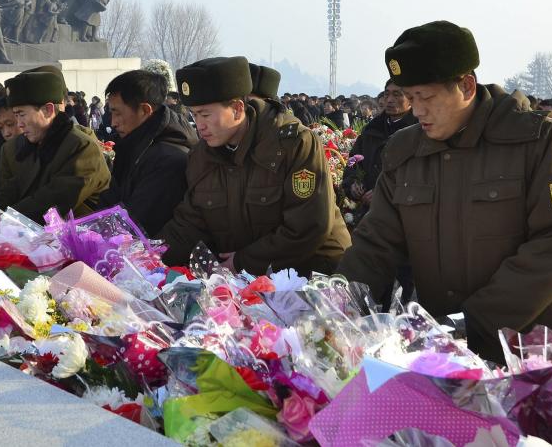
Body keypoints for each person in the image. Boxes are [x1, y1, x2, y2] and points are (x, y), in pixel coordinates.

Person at [337, 21, 552, 368]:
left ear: (467, 86)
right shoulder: (404, 150)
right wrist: (336, 301)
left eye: (426, 97)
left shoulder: (536, 140)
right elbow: (377, 240)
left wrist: (474, 320)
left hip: (529, 347)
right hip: (447, 352)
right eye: (410, 98)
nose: (417, 110)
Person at [160, 56, 350, 275]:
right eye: (194, 115)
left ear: (238, 109)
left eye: (205, 115)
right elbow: (189, 224)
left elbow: (309, 225)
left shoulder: (293, 145)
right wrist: (149, 256)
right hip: (251, 279)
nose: (199, 125)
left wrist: (243, 262)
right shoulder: (202, 156)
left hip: (314, 275)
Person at [0, 70, 110, 222]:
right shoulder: (29, 144)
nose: (19, 124)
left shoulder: (82, 147)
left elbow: (52, 202)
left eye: (22, 115)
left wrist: (4, 220)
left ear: (48, 110)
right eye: (16, 116)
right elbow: (12, 188)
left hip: (77, 240)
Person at [341, 79, 418, 309]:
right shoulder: (372, 129)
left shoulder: (419, 129)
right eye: (388, 94)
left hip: (402, 221)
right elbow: (354, 163)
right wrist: (353, 184)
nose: (391, 100)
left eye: (398, 94)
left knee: (402, 294)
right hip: (368, 217)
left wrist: (384, 193)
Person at [97, 70, 198, 237]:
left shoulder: (168, 159)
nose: (113, 122)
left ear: (145, 110)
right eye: (111, 113)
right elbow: (109, 202)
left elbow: (137, 224)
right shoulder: (133, 147)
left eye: (118, 113)